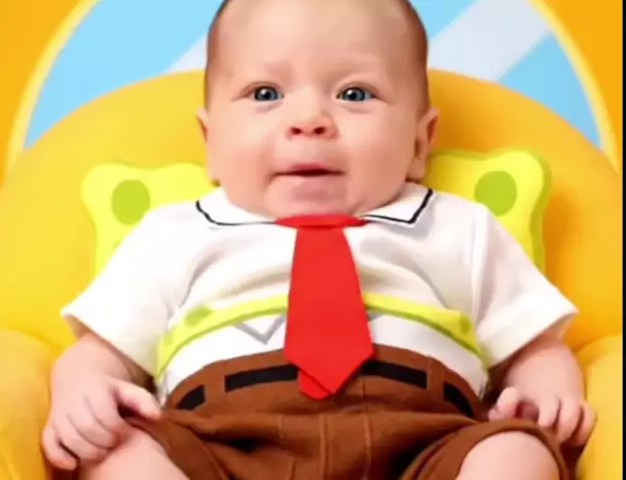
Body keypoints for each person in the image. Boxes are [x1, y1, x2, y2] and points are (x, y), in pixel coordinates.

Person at [42, 0, 595, 478]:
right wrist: (83, 392)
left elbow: (535, 348)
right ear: (211, 142)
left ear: (419, 142)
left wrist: (547, 393)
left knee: (517, 452)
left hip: (424, 440)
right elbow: (100, 354)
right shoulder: (174, 234)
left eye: (355, 93)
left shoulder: (460, 227)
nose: (309, 119)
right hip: (218, 444)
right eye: (265, 93)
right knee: (116, 452)